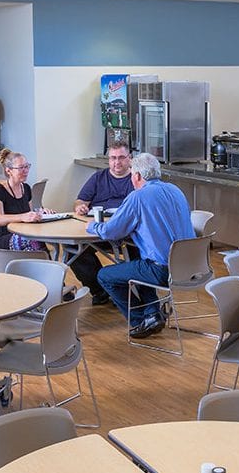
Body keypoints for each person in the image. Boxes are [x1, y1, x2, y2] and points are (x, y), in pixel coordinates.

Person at [89, 152, 195, 338]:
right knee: (139, 261)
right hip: (191, 266)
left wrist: (92, 226)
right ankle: (152, 314)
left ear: (136, 175)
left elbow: (110, 232)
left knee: (105, 275)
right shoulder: (176, 190)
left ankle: (140, 321)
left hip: (163, 270)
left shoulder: (138, 197)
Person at [68, 142, 139, 305]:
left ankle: (134, 295)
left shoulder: (136, 179)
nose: (117, 162)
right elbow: (79, 200)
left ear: (130, 159)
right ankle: (100, 291)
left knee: (137, 250)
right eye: (113, 158)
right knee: (74, 251)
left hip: (127, 233)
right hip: (98, 231)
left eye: (121, 157)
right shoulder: (98, 177)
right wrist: (80, 207)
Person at [0, 148, 48, 250]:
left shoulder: (26, 188)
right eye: (21, 168)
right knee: (32, 240)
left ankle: (45, 264)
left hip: (21, 231)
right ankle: (42, 263)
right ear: (8, 170)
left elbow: (30, 212)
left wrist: (41, 212)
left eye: (27, 166)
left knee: (38, 237)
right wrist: (23, 217)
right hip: (2, 237)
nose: (26, 171)